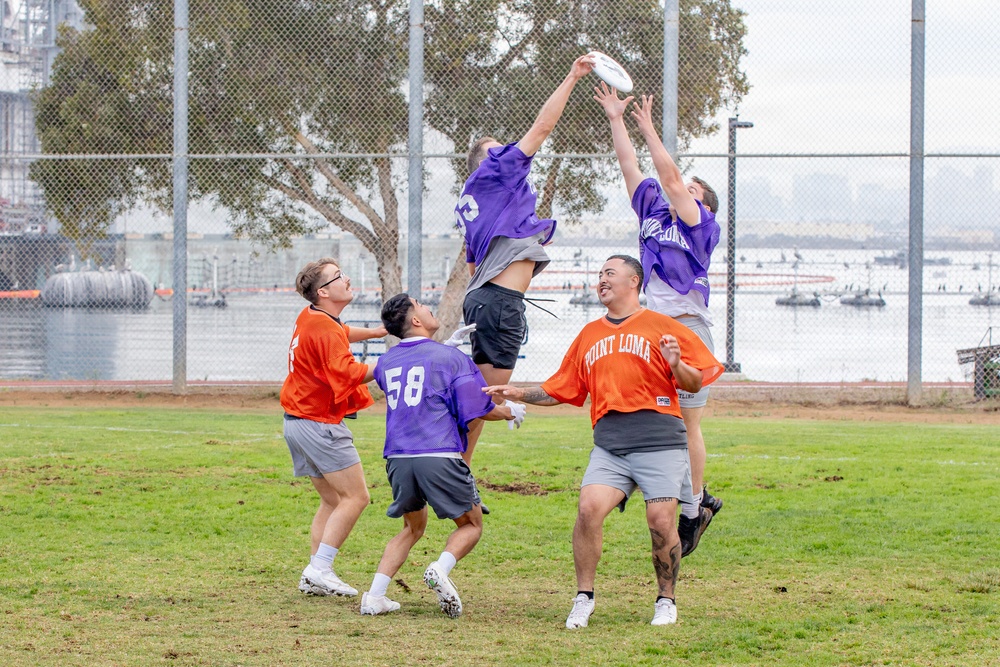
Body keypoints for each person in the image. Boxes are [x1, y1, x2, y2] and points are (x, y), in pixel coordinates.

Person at [485, 256, 723, 628]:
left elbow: (695, 382)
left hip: (660, 442)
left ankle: (666, 600)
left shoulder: (663, 326)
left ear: (634, 281)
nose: (602, 280)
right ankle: (584, 598)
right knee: (588, 510)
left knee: (661, 521)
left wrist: (676, 363)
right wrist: (520, 392)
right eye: (599, 275)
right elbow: (562, 388)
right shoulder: (589, 334)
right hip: (610, 446)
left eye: (610, 273)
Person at [594, 83, 723, 557]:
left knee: (686, 423)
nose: (683, 189)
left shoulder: (701, 225)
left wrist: (648, 127)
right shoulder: (653, 210)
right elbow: (630, 166)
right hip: (651, 328)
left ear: (702, 205)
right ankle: (644, 485)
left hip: (687, 328)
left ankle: (693, 508)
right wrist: (616, 119)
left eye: (693, 189)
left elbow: (670, 179)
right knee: (651, 414)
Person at [453, 53, 595, 470]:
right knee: (485, 401)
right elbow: (543, 128)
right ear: (486, 162)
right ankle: (453, 480)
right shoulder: (495, 173)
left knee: (481, 399)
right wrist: (572, 77)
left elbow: (473, 264)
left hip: (487, 299)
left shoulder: (476, 198)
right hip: (498, 302)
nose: (508, 153)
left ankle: (456, 477)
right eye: (498, 150)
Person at [360, 294, 525, 618]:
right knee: (471, 524)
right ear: (416, 320)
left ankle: (375, 596)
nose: (427, 306)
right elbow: (477, 407)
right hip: (438, 454)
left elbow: (414, 379)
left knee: (412, 528)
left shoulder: (387, 360)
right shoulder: (450, 358)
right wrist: (510, 411)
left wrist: (443, 350)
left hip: (398, 458)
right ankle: (440, 568)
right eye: (420, 305)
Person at [280, 258, 387, 598]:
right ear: (323, 292)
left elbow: (341, 332)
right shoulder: (324, 328)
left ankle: (315, 572)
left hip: (297, 423)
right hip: (318, 424)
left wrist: (376, 333)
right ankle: (320, 569)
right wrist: (392, 362)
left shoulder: (313, 316)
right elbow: (347, 373)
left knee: (331, 500)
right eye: (339, 276)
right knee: (356, 497)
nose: (348, 279)